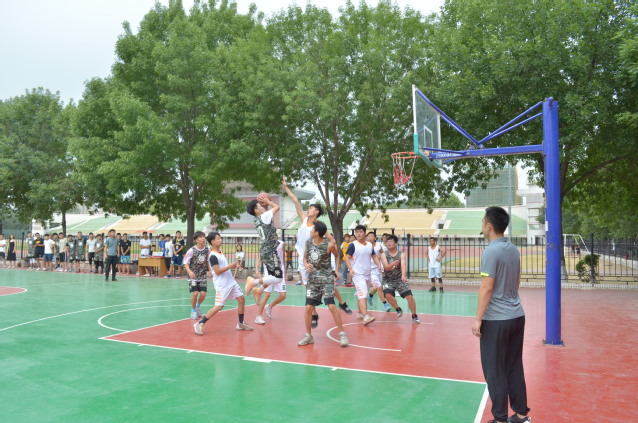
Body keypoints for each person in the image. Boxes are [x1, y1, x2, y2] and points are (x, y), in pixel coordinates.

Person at [472, 207, 531, 423]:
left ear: (489, 226)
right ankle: (522, 414)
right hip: (516, 316)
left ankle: (499, 419)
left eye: (482, 222)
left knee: (495, 370)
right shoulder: (512, 249)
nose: (482, 225)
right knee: (514, 366)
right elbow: (517, 280)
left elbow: (487, 287)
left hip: (497, 320)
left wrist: (478, 318)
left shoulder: (491, 252)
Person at [282, 177, 353, 324]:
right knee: (308, 286)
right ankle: (314, 313)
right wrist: (285, 187)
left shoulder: (319, 226)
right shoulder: (303, 219)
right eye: (308, 208)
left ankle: (342, 303)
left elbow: (332, 241)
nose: (308, 209)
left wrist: (324, 249)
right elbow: (295, 200)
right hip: (303, 258)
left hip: (317, 258)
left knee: (327, 282)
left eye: (311, 208)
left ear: (317, 211)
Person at [298, 221, 349, 347]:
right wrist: (306, 264)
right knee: (308, 307)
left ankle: (342, 334)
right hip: (313, 279)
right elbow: (304, 257)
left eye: (312, 229)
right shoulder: (308, 242)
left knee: (331, 306)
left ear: (317, 232)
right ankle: (308, 336)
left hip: (326, 278)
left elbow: (337, 256)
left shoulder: (329, 245)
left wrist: (336, 270)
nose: (310, 231)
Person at [193, 232, 253, 335]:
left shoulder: (220, 252)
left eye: (220, 238)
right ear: (212, 241)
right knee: (219, 306)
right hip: (222, 285)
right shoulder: (213, 256)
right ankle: (199, 323)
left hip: (231, 282)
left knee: (241, 299)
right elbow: (217, 271)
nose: (220, 240)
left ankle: (240, 323)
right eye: (218, 238)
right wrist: (231, 266)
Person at [245, 193, 287, 325]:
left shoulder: (258, 219)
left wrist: (265, 203)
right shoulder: (264, 216)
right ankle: (253, 282)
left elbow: (268, 212)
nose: (262, 206)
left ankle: (258, 288)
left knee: (274, 279)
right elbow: (277, 207)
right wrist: (268, 201)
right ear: (256, 210)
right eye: (260, 205)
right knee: (278, 278)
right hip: (269, 251)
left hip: (266, 250)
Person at [346, 225, 382, 325]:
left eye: (360, 231)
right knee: (363, 294)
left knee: (361, 294)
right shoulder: (353, 245)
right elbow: (347, 258)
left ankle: (359, 313)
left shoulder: (369, 245)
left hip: (367, 273)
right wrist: (350, 269)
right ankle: (366, 316)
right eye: (357, 232)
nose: (358, 233)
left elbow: (374, 256)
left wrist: (379, 265)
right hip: (358, 274)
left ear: (365, 233)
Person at [380, 235, 419, 324]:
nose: (388, 243)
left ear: (395, 243)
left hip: (399, 278)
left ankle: (414, 315)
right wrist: (393, 264)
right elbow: (386, 267)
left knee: (409, 296)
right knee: (387, 295)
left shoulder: (401, 254)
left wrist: (403, 275)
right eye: (387, 242)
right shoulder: (383, 254)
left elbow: (403, 265)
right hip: (388, 279)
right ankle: (398, 309)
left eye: (391, 241)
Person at [183, 231, 209, 320]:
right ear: (196, 240)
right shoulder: (192, 250)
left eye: (203, 236)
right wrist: (189, 272)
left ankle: (198, 306)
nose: (203, 238)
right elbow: (185, 262)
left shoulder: (207, 249)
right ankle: (193, 310)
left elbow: (208, 261)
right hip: (193, 276)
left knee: (203, 294)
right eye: (200, 237)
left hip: (202, 275)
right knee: (195, 294)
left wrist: (210, 271)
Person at [365, 231, 392, 311]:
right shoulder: (365, 247)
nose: (370, 237)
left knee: (378, 286)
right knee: (379, 287)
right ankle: (385, 304)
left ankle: (370, 296)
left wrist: (379, 259)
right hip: (370, 270)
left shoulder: (378, 246)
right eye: (368, 236)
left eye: (371, 236)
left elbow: (382, 254)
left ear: (375, 238)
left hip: (378, 269)